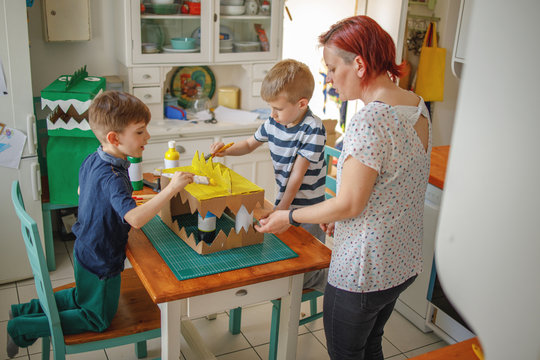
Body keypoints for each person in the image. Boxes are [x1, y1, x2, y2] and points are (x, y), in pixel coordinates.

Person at [255, 15, 432, 360]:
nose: (329, 78)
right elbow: (390, 185)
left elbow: (350, 204)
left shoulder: (370, 119)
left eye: (333, 68)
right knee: (371, 345)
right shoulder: (415, 105)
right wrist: (343, 214)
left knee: (347, 353)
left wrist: (288, 216)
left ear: (360, 65)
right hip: (402, 262)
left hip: (362, 270)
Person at [6, 91, 194, 358]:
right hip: (103, 259)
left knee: (80, 297)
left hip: (85, 249)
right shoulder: (114, 176)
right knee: (96, 318)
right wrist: (172, 188)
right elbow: (136, 220)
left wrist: (119, 203)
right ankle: (22, 327)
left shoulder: (93, 158)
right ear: (114, 138)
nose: (147, 137)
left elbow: (84, 194)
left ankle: (24, 310)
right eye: (140, 132)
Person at [209, 59, 328, 291]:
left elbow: (297, 176)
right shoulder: (274, 122)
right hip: (285, 201)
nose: (272, 114)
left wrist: (281, 209)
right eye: (270, 108)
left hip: (308, 209)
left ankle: (322, 282)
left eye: (278, 109)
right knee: (288, 259)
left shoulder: (313, 128)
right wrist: (225, 151)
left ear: (302, 104)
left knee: (307, 265)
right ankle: (290, 288)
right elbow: (248, 144)